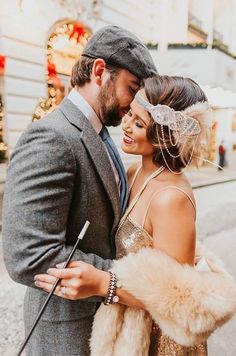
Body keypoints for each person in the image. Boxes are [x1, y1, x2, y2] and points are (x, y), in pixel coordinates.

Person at [35, 76, 236, 355]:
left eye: (140, 123)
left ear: (166, 137)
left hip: (159, 341)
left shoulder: (171, 198)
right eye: (130, 113)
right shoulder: (134, 171)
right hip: (127, 329)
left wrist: (103, 283)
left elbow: (179, 298)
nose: (127, 125)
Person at [2, 25, 157, 356]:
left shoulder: (101, 133)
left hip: (104, 329)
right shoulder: (52, 138)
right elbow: (28, 255)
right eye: (132, 88)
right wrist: (123, 281)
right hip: (66, 334)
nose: (132, 104)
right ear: (100, 72)